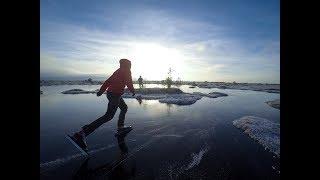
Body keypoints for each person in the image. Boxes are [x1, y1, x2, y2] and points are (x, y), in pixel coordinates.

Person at [69, 59, 135, 152]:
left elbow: (108, 81)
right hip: (115, 95)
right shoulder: (127, 70)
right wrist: (133, 91)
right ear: (128, 65)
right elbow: (129, 82)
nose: (130, 66)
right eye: (130, 64)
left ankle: (120, 127)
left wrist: (101, 90)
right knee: (108, 116)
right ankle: (81, 134)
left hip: (112, 94)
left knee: (124, 108)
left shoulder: (118, 71)